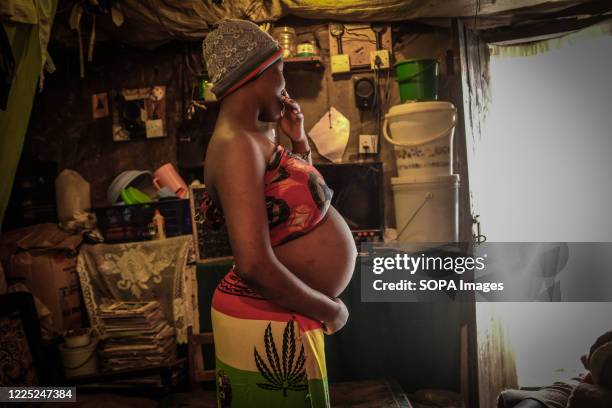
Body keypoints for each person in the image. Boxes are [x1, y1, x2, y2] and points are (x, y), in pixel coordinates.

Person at [202, 19, 357, 407]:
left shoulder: (254, 138)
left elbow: (294, 207)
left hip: (281, 313)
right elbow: (253, 263)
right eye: (279, 74)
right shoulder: (237, 145)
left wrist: (299, 140)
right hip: (265, 317)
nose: (284, 88)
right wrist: (331, 310)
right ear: (253, 75)